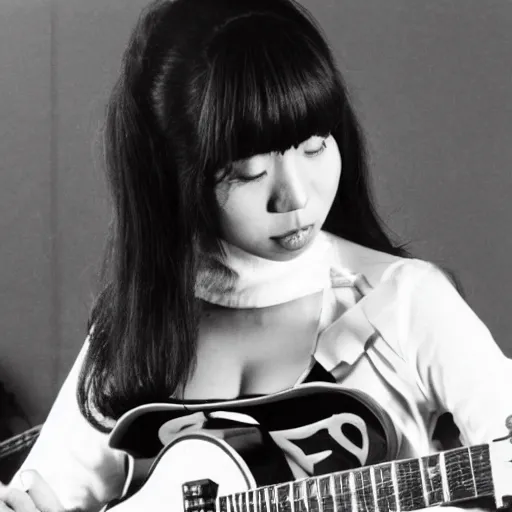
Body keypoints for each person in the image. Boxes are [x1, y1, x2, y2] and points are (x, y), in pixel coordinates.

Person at [1, 0, 511, 510]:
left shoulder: (403, 303)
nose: (296, 198)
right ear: (177, 172)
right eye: (246, 171)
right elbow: (38, 496)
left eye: (314, 146)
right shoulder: (137, 328)